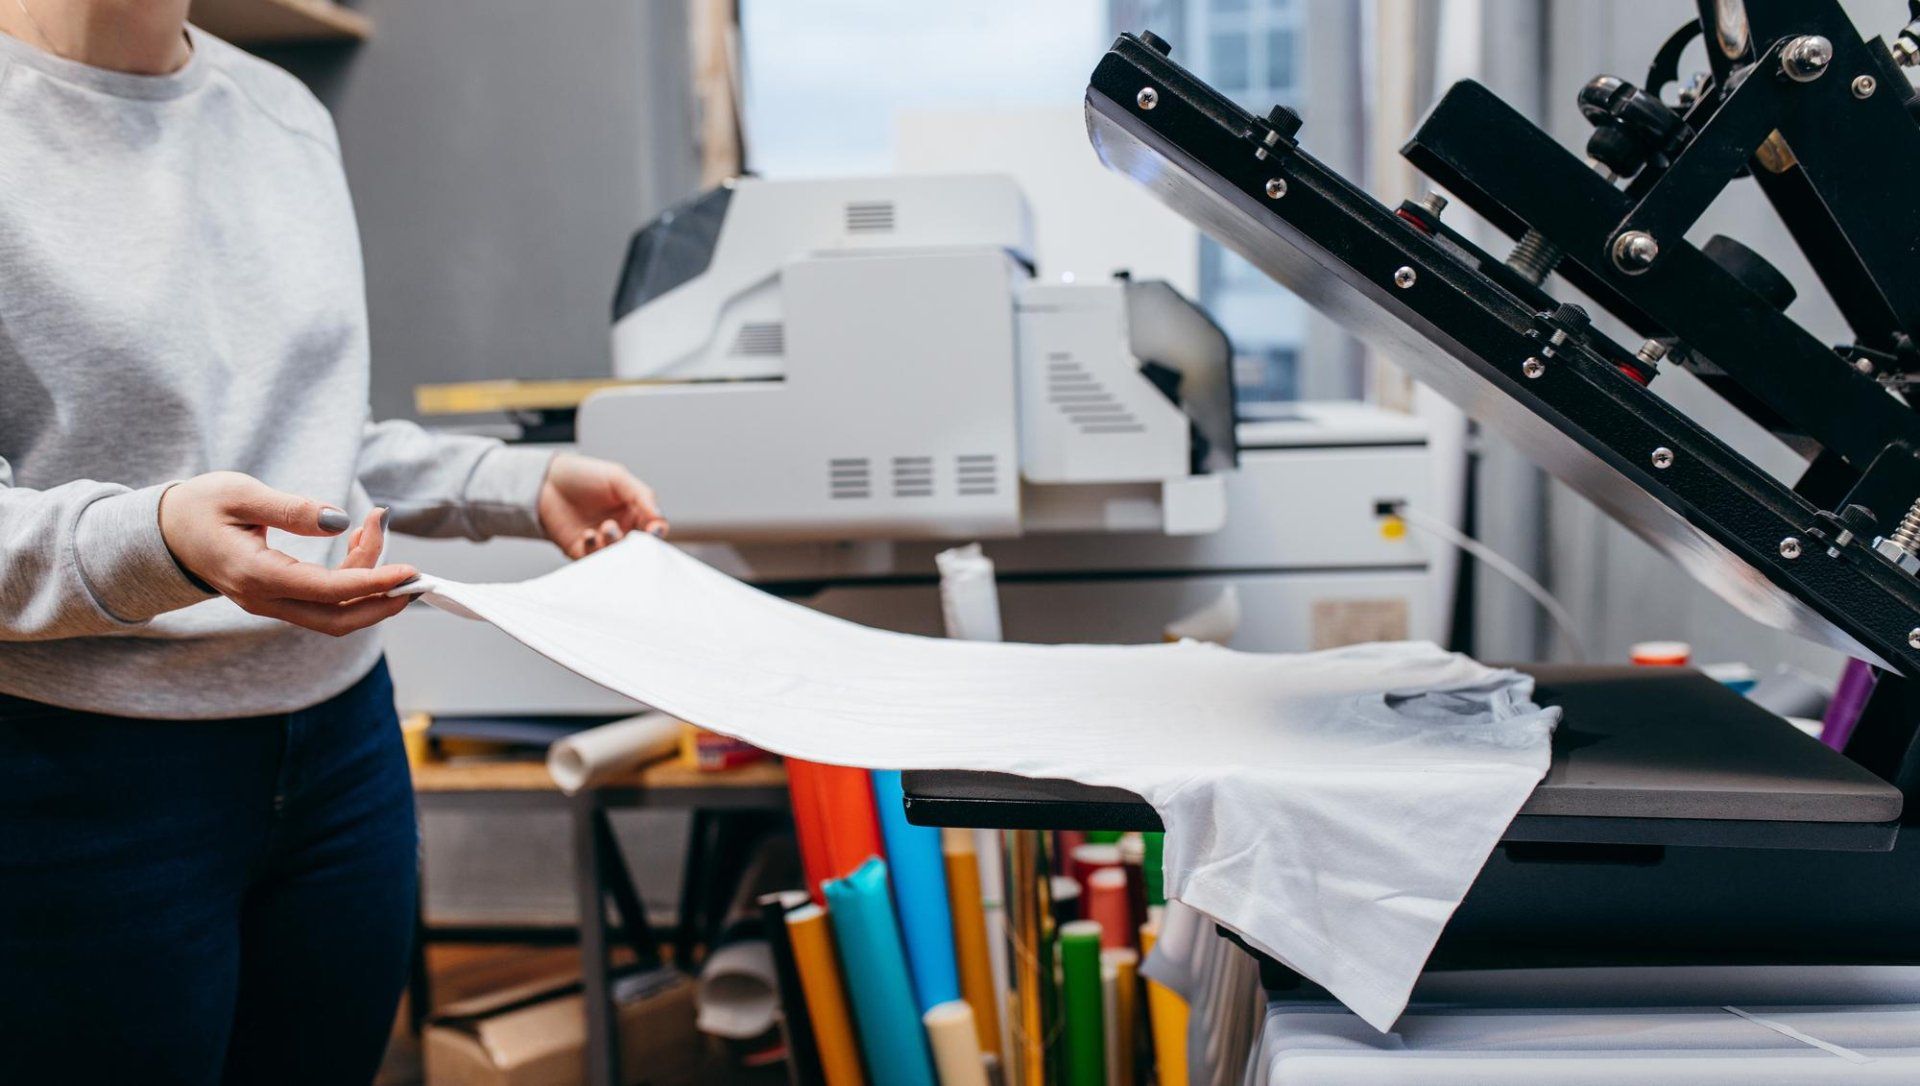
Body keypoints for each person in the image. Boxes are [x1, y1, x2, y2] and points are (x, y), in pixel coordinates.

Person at [0, 2, 665, 1081]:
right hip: (82, 778)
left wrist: (517, 482)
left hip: (340, 756)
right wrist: (159, 539)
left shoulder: (283, 115)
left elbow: (312, 446)